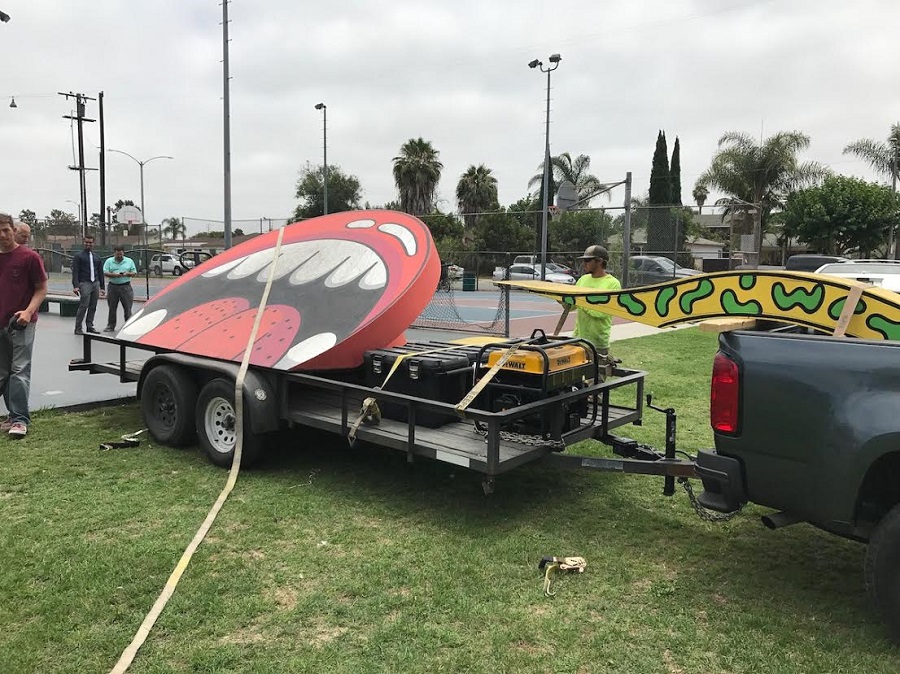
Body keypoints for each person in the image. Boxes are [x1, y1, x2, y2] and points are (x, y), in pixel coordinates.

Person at [0, 213, 48, 438]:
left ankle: (20, 420)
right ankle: (12, 416)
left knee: (19, 370)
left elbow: (41, 288)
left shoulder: (29, 257)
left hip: (21, 323)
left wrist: (28, 312)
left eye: (5, 230)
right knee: (3, 373)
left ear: (13, 230)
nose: (2, 235)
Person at [572, 245, 621, 357]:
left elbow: (601, 312)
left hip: (598, 343)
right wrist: (560, 298)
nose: (584, 263)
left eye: (587, 260)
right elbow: (571, 306)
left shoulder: (613, 284)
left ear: (599, 261)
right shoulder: (583, 279)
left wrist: (580, 301)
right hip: (578, 340)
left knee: (597, 369)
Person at [71, 234, 105, 335]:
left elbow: (100, 273)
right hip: (84, 283)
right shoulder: (78, 256)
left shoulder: (97, 257)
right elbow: (75, 271)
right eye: (86, 242)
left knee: (93, 306)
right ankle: (78, 328)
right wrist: (76, 286)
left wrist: (102, 287)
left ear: (93, 243)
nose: (88, 244)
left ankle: (89, 326)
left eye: (90, 242)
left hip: (95, 283)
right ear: (83, 242)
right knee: (84, 305)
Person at [103, 245, 137, 332]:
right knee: (112, 307)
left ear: (123, 253)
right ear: (114, 253)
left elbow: (134, 272)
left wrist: (127, 274)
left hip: (126, 286)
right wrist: (115, 275)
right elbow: (105, 272)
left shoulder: (129, 261)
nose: (119, 256)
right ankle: (110, 326)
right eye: (117, 254)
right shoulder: (109, 261)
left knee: (127, 308)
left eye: (121, 254)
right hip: (113, 287)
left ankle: (128, 326)